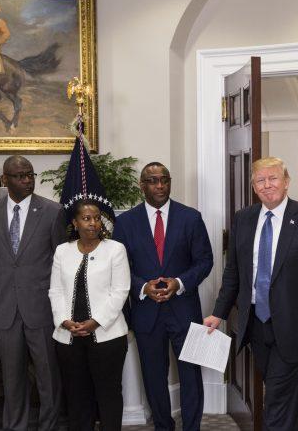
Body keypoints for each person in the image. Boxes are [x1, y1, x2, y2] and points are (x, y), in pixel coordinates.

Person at [203, 157, 298, 431]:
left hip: (296, 326)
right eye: (260, 180)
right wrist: (218, 313)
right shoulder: (244, 219)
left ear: (286, 182)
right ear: (254, 187)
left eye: (273, 178)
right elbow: (234, 274)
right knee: (285, 398)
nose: (267, 185)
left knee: (275, 400)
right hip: (257, 325)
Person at [113, 162, 213, 431]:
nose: (159, 185)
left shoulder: (191, 217)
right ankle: (163, 426)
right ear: (142, 185)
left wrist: (179, 283)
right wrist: (143, 288)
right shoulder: (124, 223)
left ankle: (192, 427)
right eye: (153, 180)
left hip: (184, 309)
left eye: (164, 180)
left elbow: (204, 261)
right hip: (146, 313)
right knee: (153, 377)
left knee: (191, 375)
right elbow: (120, 267)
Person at [0, 155, 67, 431]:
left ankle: (48, 426)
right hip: (5, 308)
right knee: (12, 377)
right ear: (5, 180)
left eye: (30, 175)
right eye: (20, 176)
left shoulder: (53, 211)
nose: (27, 180)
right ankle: (14, 426)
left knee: (47, 376)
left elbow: (61, 261)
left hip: (40, 308)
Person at [49, 199, 130, 431]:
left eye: (96, 218)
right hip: (69, 337)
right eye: (86, 218)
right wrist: (64, 320)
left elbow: (120, 291)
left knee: (108, 395)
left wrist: (95, 322)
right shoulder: (62, 251)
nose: (93, 223)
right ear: (75, 223)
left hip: (108, 337)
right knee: (76, 397)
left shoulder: (115, 249)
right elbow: (55, 290)